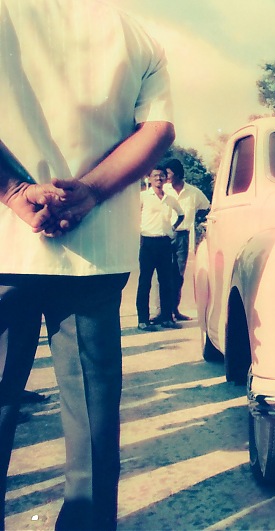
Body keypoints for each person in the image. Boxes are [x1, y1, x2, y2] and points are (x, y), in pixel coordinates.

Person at [0, 1, 175, 529]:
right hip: (93, 252)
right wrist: (89, 194)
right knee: (92, 421)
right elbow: (159, 131)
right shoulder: (135, 33)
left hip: (6, 247)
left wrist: (14, 191)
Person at [137, 167, 184, 331]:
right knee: (145, 282)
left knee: (166, 282)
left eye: (162, 176)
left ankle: (167, 318)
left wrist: (172, 229)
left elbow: (181, 214)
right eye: (155, 175)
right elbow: (134, 216)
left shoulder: (169, 199)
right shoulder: (143, 197)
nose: (159, 178)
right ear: (149, 178)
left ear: (166, 179)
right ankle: (143, 320)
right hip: (148, 242)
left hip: (165, 243)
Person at [164, 159, 210, 321]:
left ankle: (174, 310)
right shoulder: (164, 190)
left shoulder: (193, 192)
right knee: (163, 274)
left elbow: (206, 207)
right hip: (164, 236)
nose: (166, 176)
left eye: (168, 173)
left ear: (177, 173)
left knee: (178, 275)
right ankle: (161, 312)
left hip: (182, 237)